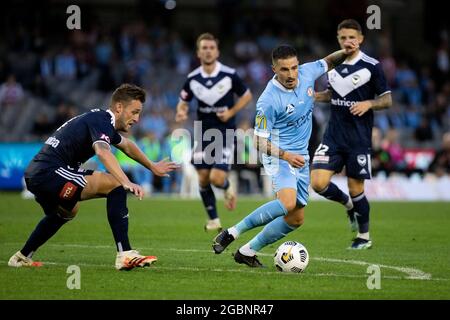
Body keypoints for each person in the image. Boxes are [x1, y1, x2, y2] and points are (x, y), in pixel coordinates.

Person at [212, 41, 359, 267]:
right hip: (277, 154)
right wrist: (286, 156)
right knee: (286, 203)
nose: (291, 74)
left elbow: (329, 61)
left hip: (301, 156)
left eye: (294, 68)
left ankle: (247, 251)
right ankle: (232, 232)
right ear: (274, 70)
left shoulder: (308, 72)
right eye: (284, 69)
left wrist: (348, 51)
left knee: (296, 218)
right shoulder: (267, 101)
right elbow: (259, 141)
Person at [8, 84, 179, 270]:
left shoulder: (101, 122)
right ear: (119, 107)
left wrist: (152, 166)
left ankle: (21, 257)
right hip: (49, 172)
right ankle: (125, 254)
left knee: (67, 212)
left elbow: (127, 146)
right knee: (115, 185)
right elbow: (103, 153)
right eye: (134, 112)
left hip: (39, 174)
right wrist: (125, 181)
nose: (137, 119)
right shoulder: (101, 119)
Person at [311, 19, 392, 249]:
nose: (348, 41)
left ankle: (364, 237)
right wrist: (317, 96)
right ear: (338, 39)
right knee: (317, 183)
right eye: (343, 38)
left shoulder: (372, 65)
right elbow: (331, 94)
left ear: (361, 39)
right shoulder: (333, 65)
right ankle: (347, 204)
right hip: (333, 136)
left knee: (356, 188)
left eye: (352, 37)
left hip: (358, 139)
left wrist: (368, 103)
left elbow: (387, 99)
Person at [175, 33, 253, 232]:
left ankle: (227, 187)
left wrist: (232, 112)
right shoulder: (192, 79)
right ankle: (214, 220)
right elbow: (183, 101)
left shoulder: (229, 74)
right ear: (198, 52)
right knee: (202, 177)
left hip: (224, 132)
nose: (208, 51)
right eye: (204, 48)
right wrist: (181, 111)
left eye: (211, 47)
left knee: (216, 178)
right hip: (203, 132)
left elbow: (247, 96)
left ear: (217, 51)